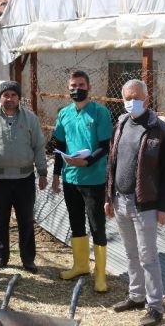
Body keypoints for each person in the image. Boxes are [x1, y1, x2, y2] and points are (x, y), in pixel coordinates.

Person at [104, 79, 165, 326]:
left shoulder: (160, 129)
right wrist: (109, 198)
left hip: (145, 204)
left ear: (147, 98)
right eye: (127, 98)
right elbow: (112, 163)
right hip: (121, 201)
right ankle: (136, 296)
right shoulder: (122, 123)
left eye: (136, 97)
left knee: (148, 257)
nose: (131, 102)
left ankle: (155, 307)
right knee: (131, 253)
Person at [0, 81, 47, 273]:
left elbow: (39, 146)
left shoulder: (30, 119)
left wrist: (42, 172)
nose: (9, 99)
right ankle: (0, 257)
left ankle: (28, 259)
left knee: (26, 220)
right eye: (5, 95)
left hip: (24, 178)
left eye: (13, 95)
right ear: (0, 98)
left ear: (18, 98)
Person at [52, 70, 113, 292]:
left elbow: (105, 145)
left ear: (89, 87)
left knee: (97, 224)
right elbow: (58, 146)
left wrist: (87, 162)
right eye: (73, 85)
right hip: (70, 178)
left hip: (93, 178)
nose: (76, 89)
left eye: (81, 84)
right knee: (75, 221)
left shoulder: (100, 113)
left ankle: (100, 275)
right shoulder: (64, 114)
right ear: (68, 88)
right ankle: (80, 265)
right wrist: (56, 175)